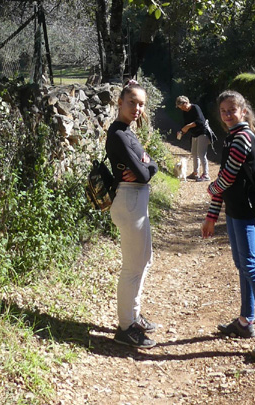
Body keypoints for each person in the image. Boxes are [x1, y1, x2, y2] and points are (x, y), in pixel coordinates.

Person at [201, 90, 255, 358]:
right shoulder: (232, 136)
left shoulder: (243, 137)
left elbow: (226, 178)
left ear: (243, 111)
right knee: (242, 264)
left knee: (250, 267)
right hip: (234, 210)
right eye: (223, 111)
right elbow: (224, 182)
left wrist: (211, 188)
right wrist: (212, 216)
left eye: (231, 110)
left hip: (243, 210)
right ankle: (245, 321)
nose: (227, 115)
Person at [106, 80, 159, 349]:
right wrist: (146, 166)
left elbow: (152, 167)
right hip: (129, 201)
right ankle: (125, 327)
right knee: (133, 266)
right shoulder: (118, 134)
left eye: (141, 104)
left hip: (136, 200)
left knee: (143, 261)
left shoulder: (128, 131)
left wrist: (147, 166)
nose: (137, 108)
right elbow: (144, 173)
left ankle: (134, 316)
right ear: (120, 102)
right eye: (132, 102)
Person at [176, 95, 210, 181]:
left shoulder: (195, 108)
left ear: (186, 103)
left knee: (201, 154)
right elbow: (185, 125)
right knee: (194, 154)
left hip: (203, 132)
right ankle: (195, 173)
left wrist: (188, 126)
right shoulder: (185, 112)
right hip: (194, 134)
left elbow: (200, 121)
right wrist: (181, 132)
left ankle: (206, 174)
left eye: (182, 107)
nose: (182, 109)